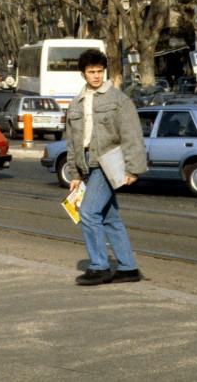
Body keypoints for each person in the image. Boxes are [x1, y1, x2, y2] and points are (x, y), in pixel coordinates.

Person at [65, 49, 148, 286]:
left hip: (108, 163)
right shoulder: (76, 103)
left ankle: (99, 267)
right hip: (88, 164)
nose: (96, 76)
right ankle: (128, 267)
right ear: (83, 74)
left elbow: (132, 136)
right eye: (91, 72)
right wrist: (75, 174)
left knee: (88, 213)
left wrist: (132, 169)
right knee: (110, 218)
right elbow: (73, 142)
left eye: (100, 71)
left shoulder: (118, 100)